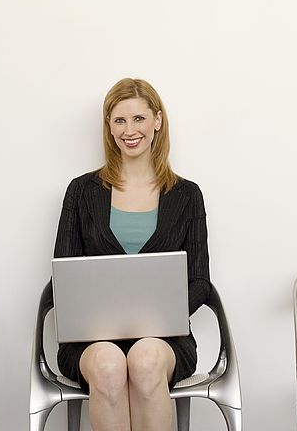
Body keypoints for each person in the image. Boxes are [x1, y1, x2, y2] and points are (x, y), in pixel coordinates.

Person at [53, 77, 211, 431]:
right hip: (90, 342)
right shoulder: (81, 192)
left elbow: (200, 282)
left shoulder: (187, 195)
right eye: (119, 120)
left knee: (145, 360)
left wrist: (159, 315)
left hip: (166, 340)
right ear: (109, 127)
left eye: (139, 119)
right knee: (109, 364)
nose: (130, 130)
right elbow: (62, 277)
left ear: (157, 121)